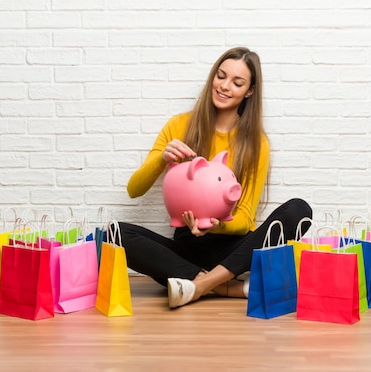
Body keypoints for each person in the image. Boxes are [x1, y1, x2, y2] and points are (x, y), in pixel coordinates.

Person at [119, 47, 312, 308]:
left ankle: (198, 285)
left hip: (233, 250)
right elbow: (134, 190)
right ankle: (227, 287)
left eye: (237, 82)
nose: (224, 86)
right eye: (220, 76)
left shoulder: (256, 143)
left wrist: (214, 225)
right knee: (115, 234)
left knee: (299, 210)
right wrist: (161, 158)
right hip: (187, 247)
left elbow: (244, 218)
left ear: (250, 91)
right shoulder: (178, 126)